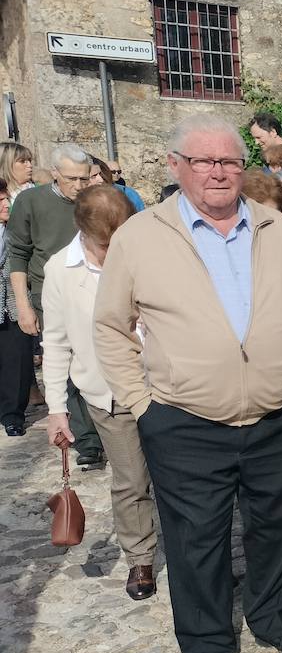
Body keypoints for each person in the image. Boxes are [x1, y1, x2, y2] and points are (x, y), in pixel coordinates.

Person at [93, 113, 282, 653]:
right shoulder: (140, 237)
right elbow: (110, 328)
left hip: (281, 413)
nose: (218, 171)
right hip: (184, 421)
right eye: (203, 160)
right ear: (177, 167)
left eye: (228, 160)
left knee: (279, 524)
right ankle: (205, 646)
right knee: (196, 537)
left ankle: (272, 616)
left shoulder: (276, 228)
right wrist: (143, 405)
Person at [41, 186, 159, 600]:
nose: (115, 251)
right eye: (106, 244)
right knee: (131, 480)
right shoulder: (61, 270)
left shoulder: (149, 253)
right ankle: (140, 559)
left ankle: (193, 557)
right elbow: (55, 343)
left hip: (165, 386)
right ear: (83, 232)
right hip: (108, 396)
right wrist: (57, 409)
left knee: (183, 480)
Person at [7, 143, 104, 466]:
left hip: (94, 288)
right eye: (71, 179)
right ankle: (87, 440)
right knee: (63, 361)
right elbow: (18, 254)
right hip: (50, 293)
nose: (78, 186)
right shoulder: (30, 201)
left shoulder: (94, 200)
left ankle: (106, 426)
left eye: (84, 178)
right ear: (55, 174)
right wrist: (23, 304)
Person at [0, 179, 36, 436]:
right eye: (0, 201)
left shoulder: (16, 230)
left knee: (18, 361)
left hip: (14, 302)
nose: (6, 204)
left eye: (6, 199)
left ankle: (13, 415)